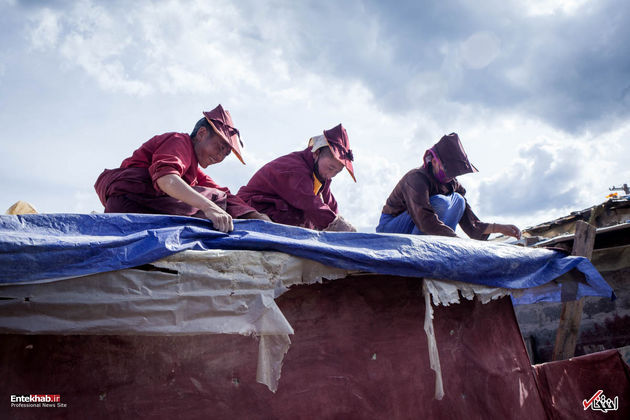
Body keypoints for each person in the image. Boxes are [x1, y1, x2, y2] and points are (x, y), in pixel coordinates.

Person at [94, 104, 270, 233]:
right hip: (133, 202)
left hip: (139, 209)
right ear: (201, 134)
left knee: (220, 198)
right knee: (215, 202)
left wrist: (258, 217)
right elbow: (167, 179)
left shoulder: (193, 169)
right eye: (219, 147)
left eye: (225, 154)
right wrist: (208, 207)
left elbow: (224, 194)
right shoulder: (179, 141)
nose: (219, 157)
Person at [376, 133, 521, 240]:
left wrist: (498, 228)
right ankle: (424, 250)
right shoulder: (416, 179)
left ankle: (438, 246)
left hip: (426, 228)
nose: (450, 176)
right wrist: (456, 241)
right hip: (391, 229)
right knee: (441, 202)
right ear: (433, 160)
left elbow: (471, 224)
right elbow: (424, 220)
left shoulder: (452, 185)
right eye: (447, 170)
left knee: (459, 200)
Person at [237, 123, 357, 231]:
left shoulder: (322, 175)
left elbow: (331, 207)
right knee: (307, 215)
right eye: (330, 168)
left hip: (278, 217)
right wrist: (337, 225)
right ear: (316, 153)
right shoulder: (296, 170)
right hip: (250, 211)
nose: (331, 175)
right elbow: (311, 204)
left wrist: (344, 228)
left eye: (337, 172)